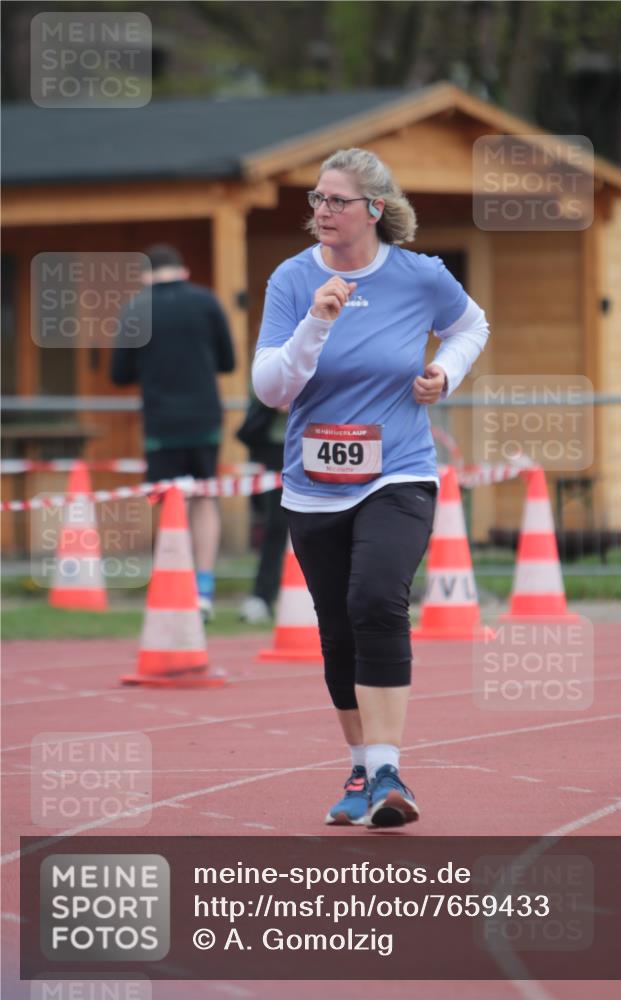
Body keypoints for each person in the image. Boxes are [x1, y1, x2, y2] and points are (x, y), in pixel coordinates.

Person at [253, 147, 489, 829]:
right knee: (336, 631)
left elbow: (470, 326)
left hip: (399, 471)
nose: (321, 212)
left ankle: (387, 768)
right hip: (313, 484)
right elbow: (272, 390)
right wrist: (317, 322)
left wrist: (445, 372)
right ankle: (360, 767)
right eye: (316, 201)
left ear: (373, 211)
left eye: (335, 201)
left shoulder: (420, 276)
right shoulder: (293, 281)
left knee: (375, 597)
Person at [111, 244, 235, 621]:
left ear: (146, 274)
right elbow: (228, 361)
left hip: (161, 421)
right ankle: (205, 588)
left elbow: (119, 374)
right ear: (181, 269)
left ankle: (172, 586)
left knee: (168, 501)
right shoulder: (207, 302)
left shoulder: (135, 308)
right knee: (204, 497)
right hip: (205, 417)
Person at [236, 391, 289, 623]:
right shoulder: (271, 354)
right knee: (276, 526)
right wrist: (274, 396)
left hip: (322, 439)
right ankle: (262, 596)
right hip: (277, 448)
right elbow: (260, 384)